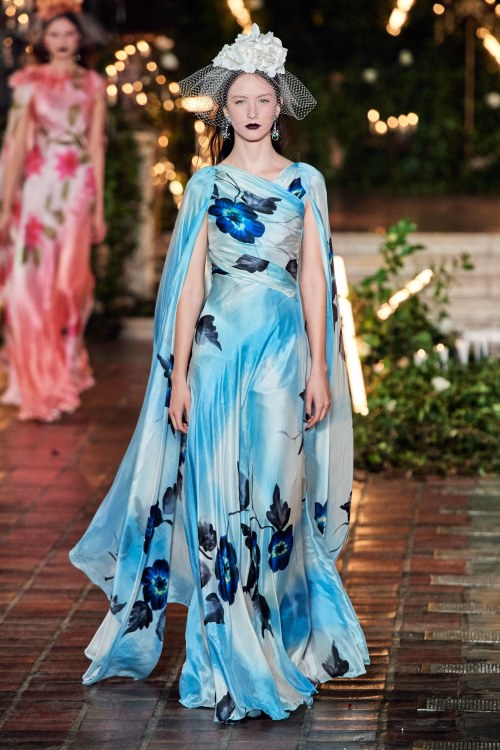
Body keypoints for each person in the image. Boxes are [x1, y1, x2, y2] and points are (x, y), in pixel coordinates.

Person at [69, 24, 369, 723]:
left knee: (274, 500)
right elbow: (188, 287)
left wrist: (321, 369)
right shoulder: (206, 184)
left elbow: (316, 283)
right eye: (240, 100)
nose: (253, 110)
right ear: (224, 110)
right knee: (214, 505)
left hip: (282, 358)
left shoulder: (305, 181)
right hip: (214, 355)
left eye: (263, 99)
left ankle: (272, 644)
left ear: (279, 105)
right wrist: (177, 378)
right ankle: (220, 661)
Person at [0, 0, 107, 422]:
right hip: (37, 189)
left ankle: (63, 374)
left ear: (79, 38)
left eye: (69, 33)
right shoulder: (29, 82)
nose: (62, 41)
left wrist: (99, 208)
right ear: (44, 40)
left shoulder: (93, 84)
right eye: (55, 34)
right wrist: (5, 205)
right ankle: (33, 381)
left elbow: (96, 145)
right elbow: (15, 146)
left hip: (77, 189)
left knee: (67, 285)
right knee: (29, 285)